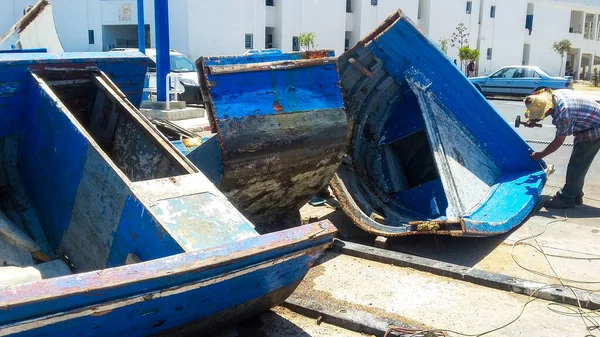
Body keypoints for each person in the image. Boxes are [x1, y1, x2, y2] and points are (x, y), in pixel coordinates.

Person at [524, 88, 600, 208]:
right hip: (589, 122)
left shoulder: (564, 113)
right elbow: (543, 108)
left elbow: (558, 141)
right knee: (578, 165)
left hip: (595, 129)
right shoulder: (555, 95)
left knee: (577, 165)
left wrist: (540, 155)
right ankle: (575, 195)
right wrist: (533, 119)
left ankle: (567, 198)